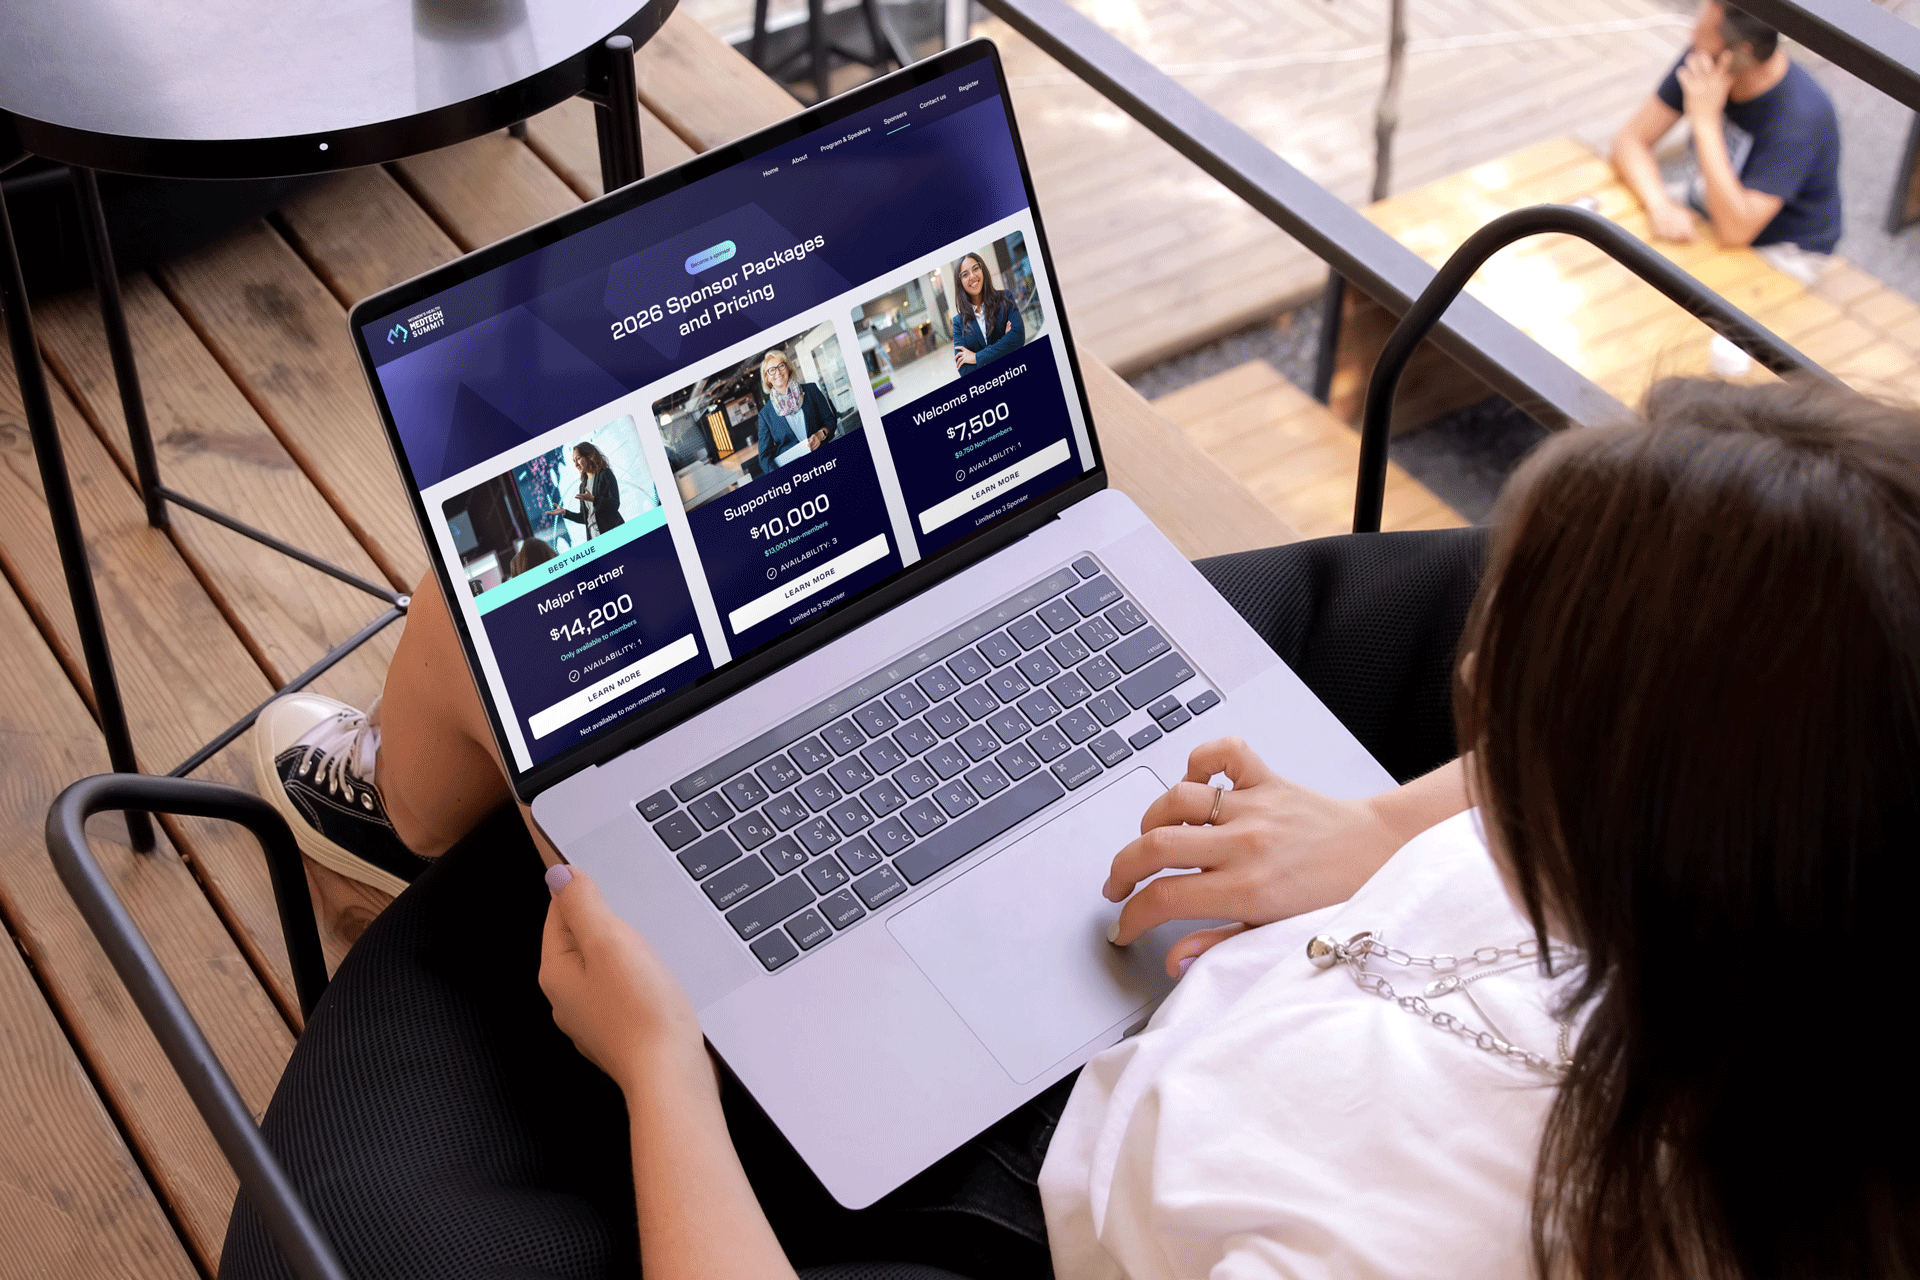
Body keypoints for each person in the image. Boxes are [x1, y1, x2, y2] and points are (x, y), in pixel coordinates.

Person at [240, 377, 1920, 1279]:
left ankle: (410, 834)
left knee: (488, 636)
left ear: (1656, 838)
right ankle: (417, 814)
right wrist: (1376, 839)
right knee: (493, 631)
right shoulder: (1810, 936)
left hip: (1014, 1197)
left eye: (1507, 682)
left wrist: (661, 1067)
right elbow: (1531, 790)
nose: (1465, 667)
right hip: (1205, 983)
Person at [1610, 1, 1842, 282]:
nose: (1693, 37)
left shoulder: (1801, 117)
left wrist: (1705, 121)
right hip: (1709, 203)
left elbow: (1735, 231)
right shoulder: (1708, 56)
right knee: (1616, 242)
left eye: (1703, 35)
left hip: (1781, 250)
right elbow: (1630, 141)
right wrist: (1659, 206)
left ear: (1741, 54)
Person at [755, 349, 838, 471]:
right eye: (771, 370)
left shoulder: (811, 390)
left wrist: (820, 435)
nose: (777, 372)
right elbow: (764, 457)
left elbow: (830, 420)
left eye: (781, 366)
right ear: (767, 378)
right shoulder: (765, 415)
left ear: (788, 368)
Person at [951, 251, 1025, 373]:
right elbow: (964, 370)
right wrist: (1005, 343)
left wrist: (976, 357)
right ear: (960, 283)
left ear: (983, 270)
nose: (972, 276)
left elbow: (1018, 337)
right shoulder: (958, 322)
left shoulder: (1005, 299)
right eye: (965, 274)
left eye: (975, 269)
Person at [548, 442, 623, 540]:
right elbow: (585, 518)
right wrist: (565, 512)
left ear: (589, 456)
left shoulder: (605, 474)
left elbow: (615, 504)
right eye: (574, 461)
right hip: (593, 537)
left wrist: (594, 499)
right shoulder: (582, 486)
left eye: (578, 459)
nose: (576, 464)